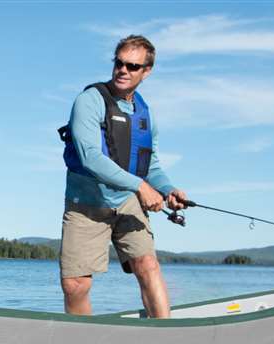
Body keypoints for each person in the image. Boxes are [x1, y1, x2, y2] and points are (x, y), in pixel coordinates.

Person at [58, 34, 187, 318]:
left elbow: (149, 164)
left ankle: (166, 336)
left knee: (148, 266)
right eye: (119, 63)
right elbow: (90, 158)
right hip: (86, 203)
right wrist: (140, 187)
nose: (123, 70)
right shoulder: (89, 101)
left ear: (146, 71)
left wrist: (167, 190)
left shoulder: (144, 112)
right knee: (75, 285)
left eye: (132, 66)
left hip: (128, 201)